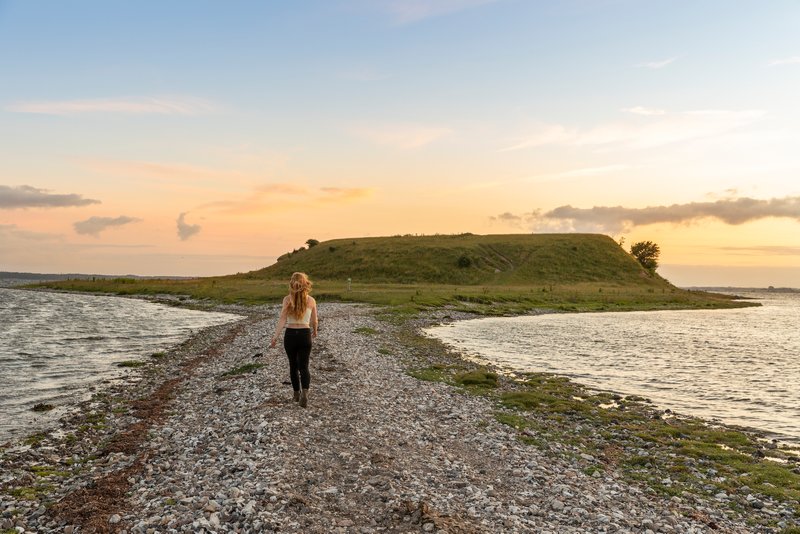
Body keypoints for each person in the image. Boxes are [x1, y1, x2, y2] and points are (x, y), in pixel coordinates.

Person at [270, 272, 318, 407]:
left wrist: (275, 336)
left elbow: (282, 320)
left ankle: (296, 394)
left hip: (290, 335)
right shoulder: (311, 300)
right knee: (304, 366)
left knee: (293, 365)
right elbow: (314, 320)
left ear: (291, 283)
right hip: (305, 335)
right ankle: (305, 393)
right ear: (305, 283)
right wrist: (314, 331)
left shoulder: (287, 300)